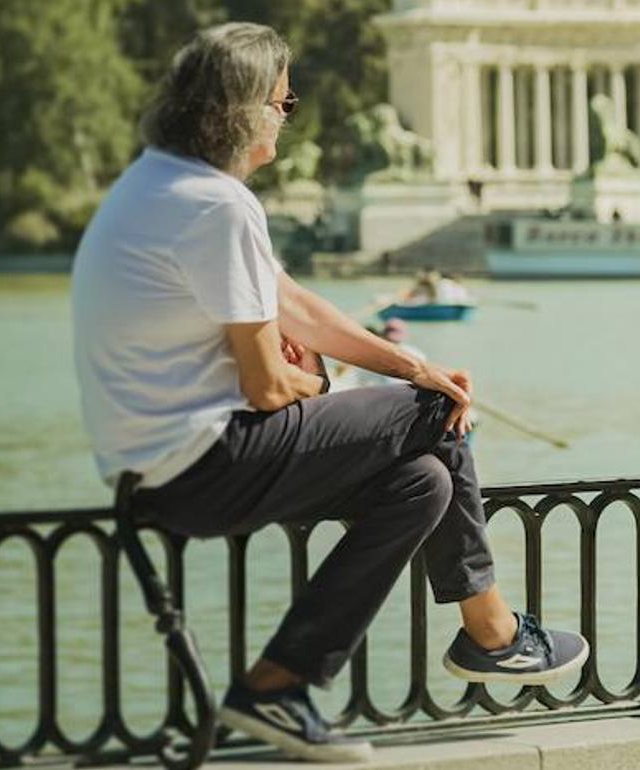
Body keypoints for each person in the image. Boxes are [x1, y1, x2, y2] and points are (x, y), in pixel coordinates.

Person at [70, 23, 587, 763]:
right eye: (283, 103)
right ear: (245, 111)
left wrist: (407, 367)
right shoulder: (218, 205)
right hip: (204, 463)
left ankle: (277, 685)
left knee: (422, 483)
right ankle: (493, 634)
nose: (287, 116)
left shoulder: (158, 182)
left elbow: (294, 306)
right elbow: (267, 383)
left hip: (150, 472)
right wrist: (370, 388)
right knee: (437, 418)